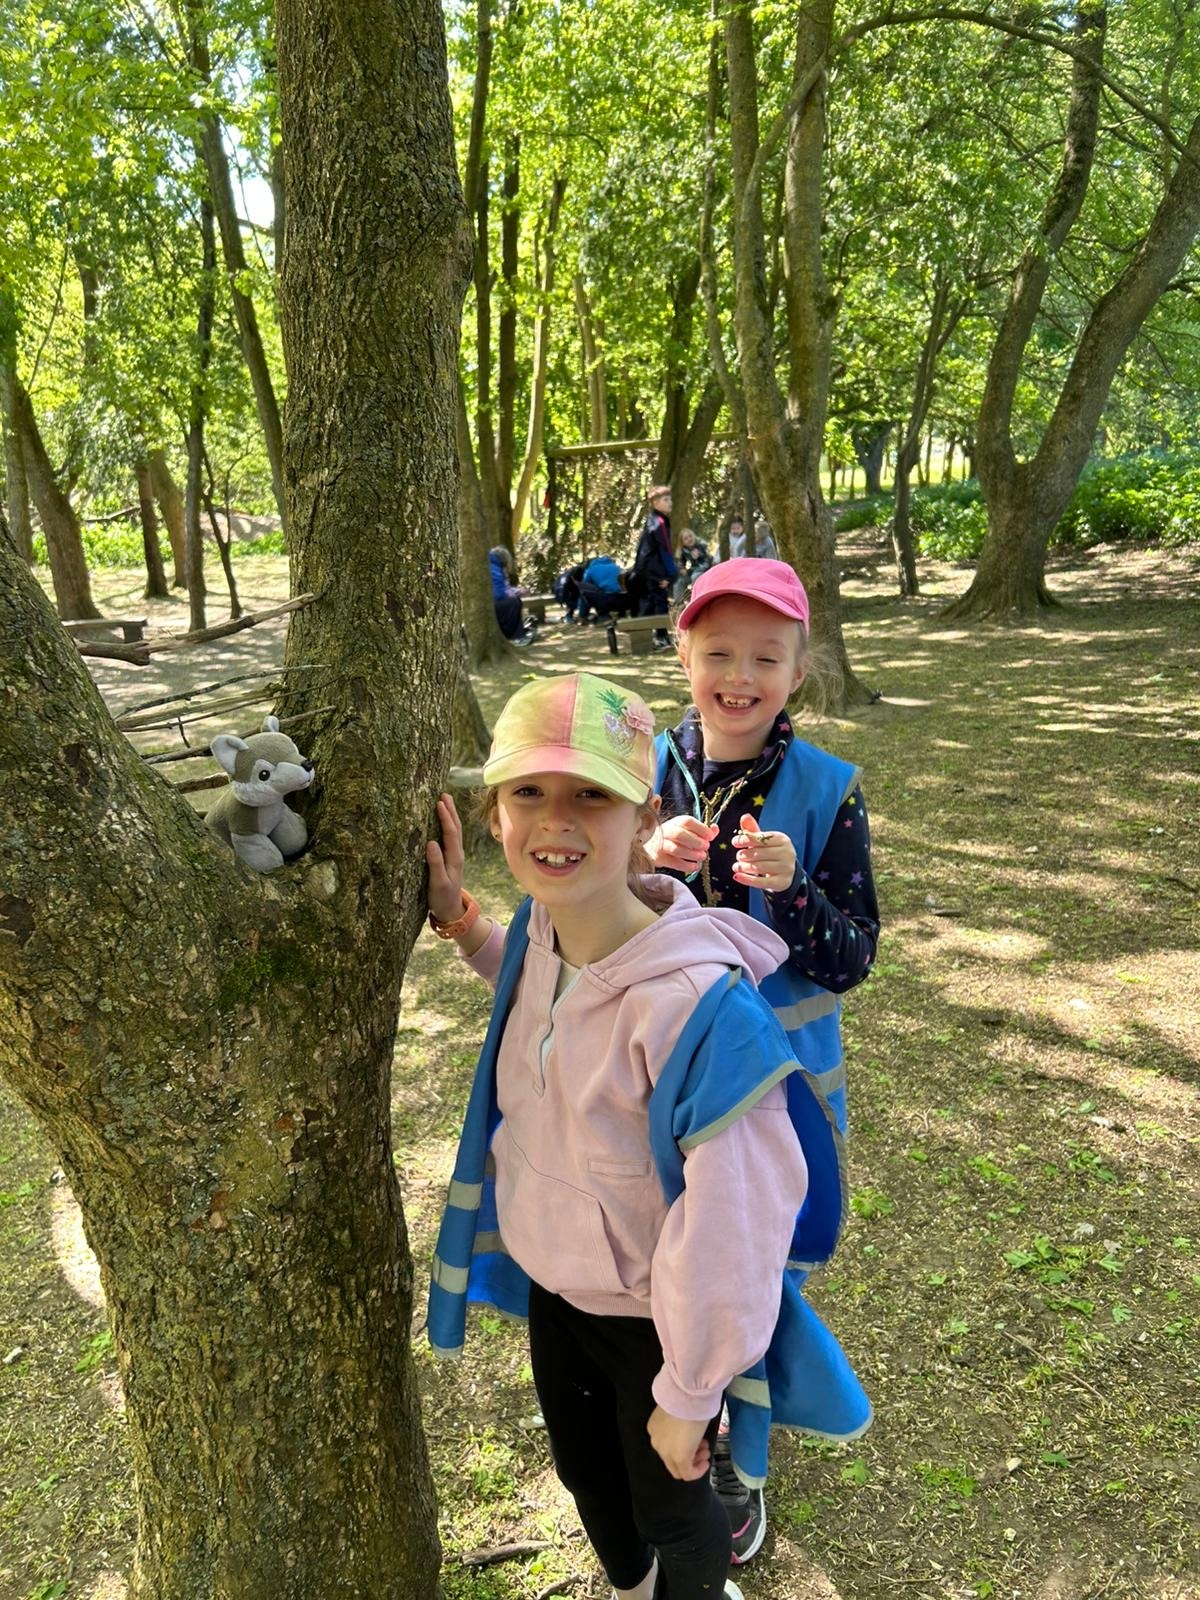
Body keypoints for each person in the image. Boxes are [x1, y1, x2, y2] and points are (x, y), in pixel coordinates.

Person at [425, 671, 870, 1600]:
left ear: (645, 818)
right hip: (560, 1293)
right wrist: (465, 923)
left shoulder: (700, 1012)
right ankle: (634, 1590)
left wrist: (690, 1392)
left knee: (673, 1508)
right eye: (528, 792)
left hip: (654, 1323)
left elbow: (736, 1228)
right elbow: (546, 999)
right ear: (496, 816)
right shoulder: (545, 932)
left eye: (593, 793)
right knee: (587, 1476)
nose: (556, 820)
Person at [648, 559, 880, 1566]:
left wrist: (792, 892)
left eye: (765, 658)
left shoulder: (829, 789)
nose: (739, 677)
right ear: (684, 655)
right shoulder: (648, 770)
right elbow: (595, 909)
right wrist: (640, 861)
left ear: (798, 670)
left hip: (774, 1087)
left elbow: (853, 957)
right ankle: (674, 1409)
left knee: (747, 1266)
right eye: (719, 654)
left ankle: (738, 1458)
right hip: (657, 1070)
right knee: (664, 1250)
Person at [631, 485, 677, 649]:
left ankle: (655, 636)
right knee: (658, 603)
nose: (670, 502)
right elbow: (664, 550)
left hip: (646, 570)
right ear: (656, 503)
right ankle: (658, 637)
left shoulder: (653, 520)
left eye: (670, 499)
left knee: (651, 603)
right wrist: (670, 575)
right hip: (653, 571)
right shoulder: (659, 523)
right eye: (666, 500)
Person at [489, 546, 533, 645]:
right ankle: (515, 636)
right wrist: (514, 594)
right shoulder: (494, 569)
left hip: (494, 602)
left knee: (514, 601)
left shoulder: (495, 567)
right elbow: (499, 593)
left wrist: (518, 591)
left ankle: (517, 633)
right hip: (493, 603)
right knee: (514, 603)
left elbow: (504, 587)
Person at [578, 552, 630, 622]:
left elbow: (585, 587)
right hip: (625, 601)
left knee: (584, 590)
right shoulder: (616, 567)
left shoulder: (591, 569)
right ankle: (622, 614)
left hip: (608, 601)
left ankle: (584, 617)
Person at [675, 528, 714, 600]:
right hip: (694, 570)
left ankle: (696, 598)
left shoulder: (701, 545)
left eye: (690, 536)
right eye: (686, 538)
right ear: (682, 542)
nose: (689, 539)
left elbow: (707, 562)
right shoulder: (684, 550)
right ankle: (678, 601)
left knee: (695, 576)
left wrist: (700, 555)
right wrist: (681, 569)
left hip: (705, 570)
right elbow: (681, 562)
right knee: (679, 581)